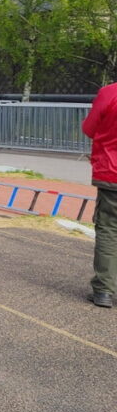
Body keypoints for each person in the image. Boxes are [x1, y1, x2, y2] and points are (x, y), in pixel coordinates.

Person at [83, 81, 117, 308]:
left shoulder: (110, 92)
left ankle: (104, 289)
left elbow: (89, 128)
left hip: (111, 172)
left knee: (109, 229)